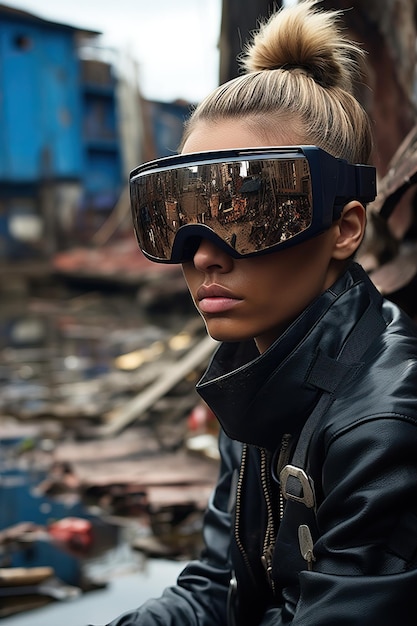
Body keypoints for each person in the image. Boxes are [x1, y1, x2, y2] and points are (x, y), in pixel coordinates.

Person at [97, 1, 417, 624]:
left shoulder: (385, 428)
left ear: (344, 228)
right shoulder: (253, 382)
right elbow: (217, 588)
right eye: (178, 220)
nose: (204, 257)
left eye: (248, 213)